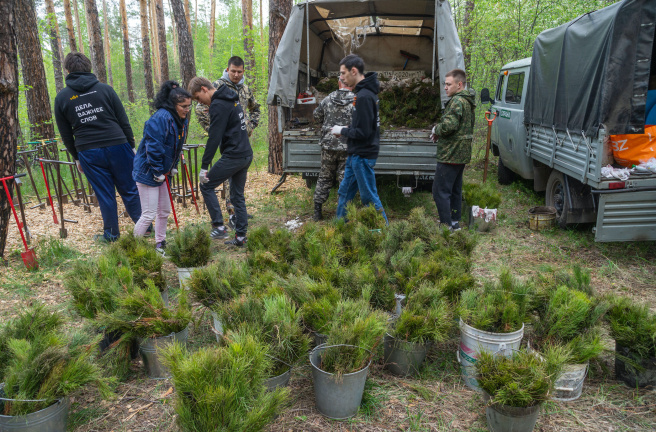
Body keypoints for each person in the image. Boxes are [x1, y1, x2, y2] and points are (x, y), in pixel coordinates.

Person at [54, 52, 142, 242]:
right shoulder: (105, 90)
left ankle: (111, 235)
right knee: (130, 188)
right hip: (118, 144)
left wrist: (77, 157)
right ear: (89, 68)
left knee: (104, 193)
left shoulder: (62, 97)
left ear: (67, 71)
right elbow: (123, 120)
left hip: (89, 150)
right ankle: (145, 227)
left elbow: (66, 134)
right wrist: (131, 147)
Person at [194, 56, 260, 228]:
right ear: (227, 69)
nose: (236, 75)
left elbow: (256, 108)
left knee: (236, 188)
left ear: (243, 71)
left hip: (240, 144)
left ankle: (238, 223)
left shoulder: (245, 89)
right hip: (229, 143)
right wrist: (217, 129)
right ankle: (231, 215)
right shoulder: (217, 87)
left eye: (239, 72)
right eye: (233, 71)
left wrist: (249, 126)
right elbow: (200, 109)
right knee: (227, 181)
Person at [188, 77, 253, 247]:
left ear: (204, 89)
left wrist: (204, 167)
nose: (198, 102)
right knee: (237, 196)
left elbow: (214, 137)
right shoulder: (230, 98)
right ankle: (240, 237)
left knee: (206, 185)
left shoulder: (218, 105)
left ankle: (219, 226)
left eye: (197, 97)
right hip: (245, 154)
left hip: (234, 155)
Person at [132, 81, 190, 253]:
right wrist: (157, 171)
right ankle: (131, 248)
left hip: (164, 172)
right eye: (183, 106)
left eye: (189, 106)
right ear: (173, 104)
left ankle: (160, 244)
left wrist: (173, 167)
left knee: (164, 210)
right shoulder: (159, 118)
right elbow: (154, 147)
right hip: (149, 171)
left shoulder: (181, 120)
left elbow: (177, 147)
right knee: (148, 214)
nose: (187, 110)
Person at [331, 54, 388, 224]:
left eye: (343, 73)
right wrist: (347, 130)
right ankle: (339, 227)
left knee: (369, 197)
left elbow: (363, 132)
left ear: (353, 71)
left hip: (362, 156)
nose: (341, 77)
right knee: (345, 192)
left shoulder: (364, 96)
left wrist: (342, 130)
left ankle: (384, 232)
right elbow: (364, 127)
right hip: (355, 154)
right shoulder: (363, 93)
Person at [429, 68, 476, 231]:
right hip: (461, 155)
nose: (445, 87)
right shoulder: (467, 101)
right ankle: (455, 222)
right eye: (445, 84)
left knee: (439, 190)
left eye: (448, 84)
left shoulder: (457, 101)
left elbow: (450, 125)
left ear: (459, 84)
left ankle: (446, 225)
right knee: (455, 189)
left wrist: (436, 129)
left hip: (450, 154)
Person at [312, 79, 355, 221]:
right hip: (347, 146)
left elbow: (316, 116)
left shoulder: (327, 99)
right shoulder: (356, 101)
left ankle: (317, 211)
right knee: (345, 178)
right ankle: (343, 212)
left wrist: (327, 125)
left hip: (328, 145)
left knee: (325, 177)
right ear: (351, 83)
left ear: (338, 83)